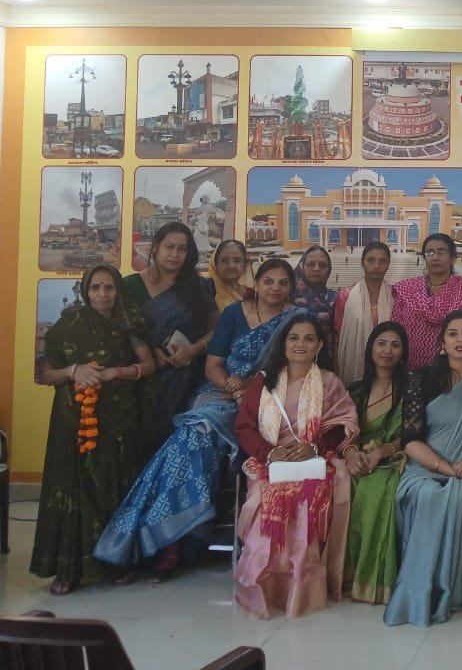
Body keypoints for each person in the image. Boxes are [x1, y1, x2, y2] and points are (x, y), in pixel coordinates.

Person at [95, 259, 300, 578]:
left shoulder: (297, 320)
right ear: (257, 284)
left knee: (197, 435)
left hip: (269, 400)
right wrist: (232, 389)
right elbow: (213, 365)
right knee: (194, 436)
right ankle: (175, 534)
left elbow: (296, 371)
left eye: (283, 282)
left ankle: (172, 537)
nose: (275, 288)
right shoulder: (233, 314)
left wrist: (250, 391)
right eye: (268, 281)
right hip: (220, 393)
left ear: (291, 288)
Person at [31, 264, 155, 595]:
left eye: (109, 287)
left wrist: (116, 372)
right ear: (86, 291)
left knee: (112, 489)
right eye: (96, 288)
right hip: (72, 422)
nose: (102, 294)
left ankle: (115, 564)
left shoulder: (129, 324)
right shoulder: (68, 326)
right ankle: (67, 569)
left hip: (119, 423)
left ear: (118, 291)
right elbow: (45, 374)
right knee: (72, 489)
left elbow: (149, 365)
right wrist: (75, 370)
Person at [233, 313, 360, 619]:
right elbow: (244, 428)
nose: (300, 344)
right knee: (269, 502)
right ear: (283, 343)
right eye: (294, 338)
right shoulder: (264, 382)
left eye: (308, 338)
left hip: (315, 460)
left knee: (307, 502)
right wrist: (270, 452)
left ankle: (302, 589)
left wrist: (312, 448)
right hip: (269, 462)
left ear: (319, 346)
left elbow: (341, 424)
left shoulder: (328, 382)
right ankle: (264, 585)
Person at [383, 310, 462, 626]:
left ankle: (458, 590)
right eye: (452, 334)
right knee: (428, 495)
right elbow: (410, 440)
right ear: (442, 342)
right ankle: (422, 589)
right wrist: (446, 468)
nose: (460, 339)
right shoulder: (421, 380)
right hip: (426, 467)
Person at [123, 222, 217, 451]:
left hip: (182, 381)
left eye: (182, 249)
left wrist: (194, 349)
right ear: (155, 247)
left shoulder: (197, 288)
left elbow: (218, 329)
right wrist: (147, 352)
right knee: (135, 446)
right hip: (136, 380)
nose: (175, 254)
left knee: (171, 444)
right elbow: (118, 332)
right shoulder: (129, 286)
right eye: (169, 246)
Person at [343, 321, 408, 605]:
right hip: (357, 460)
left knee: (378, 488)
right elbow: (343, 432)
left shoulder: (410, 389)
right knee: (342, 483)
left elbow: (414, 433)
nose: (387, 351)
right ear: (371, 348)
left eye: (395, 345)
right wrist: (352, 453)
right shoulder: (355, 390)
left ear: (403, 352)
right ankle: (347, 575)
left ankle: (376, 578)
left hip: (393, 460)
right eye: (381, 343)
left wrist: (382, 452)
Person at [392, 233, 462, 369]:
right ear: (424, 257)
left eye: (441, 252)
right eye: (430, 252)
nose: (435, 257)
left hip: (456, 369)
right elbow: (395, 331)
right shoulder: (407, 289)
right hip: (411, 369)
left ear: (452, 257)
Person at [334, 242, 395, 385]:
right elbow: (338, 336)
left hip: (387, 360)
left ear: (388, 264)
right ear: (362, 262)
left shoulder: (396, 296)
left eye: (382, 261)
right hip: (353, 361)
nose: (376, 266)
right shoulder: (346, 296)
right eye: (371, 260)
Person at [293, 245, 339, 347]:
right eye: (311, 264)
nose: (317, 269)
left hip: (325, 354)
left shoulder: (336, 299)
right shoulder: (288, 298)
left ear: (329, 270)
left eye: (323, 265)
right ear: (302, 267)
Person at [205, 239, 253, 311]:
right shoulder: (206, 293)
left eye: (237, 261)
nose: (231, 266)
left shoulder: (254, 296)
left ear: (245, 265)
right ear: (215, 265)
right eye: (224, 261)